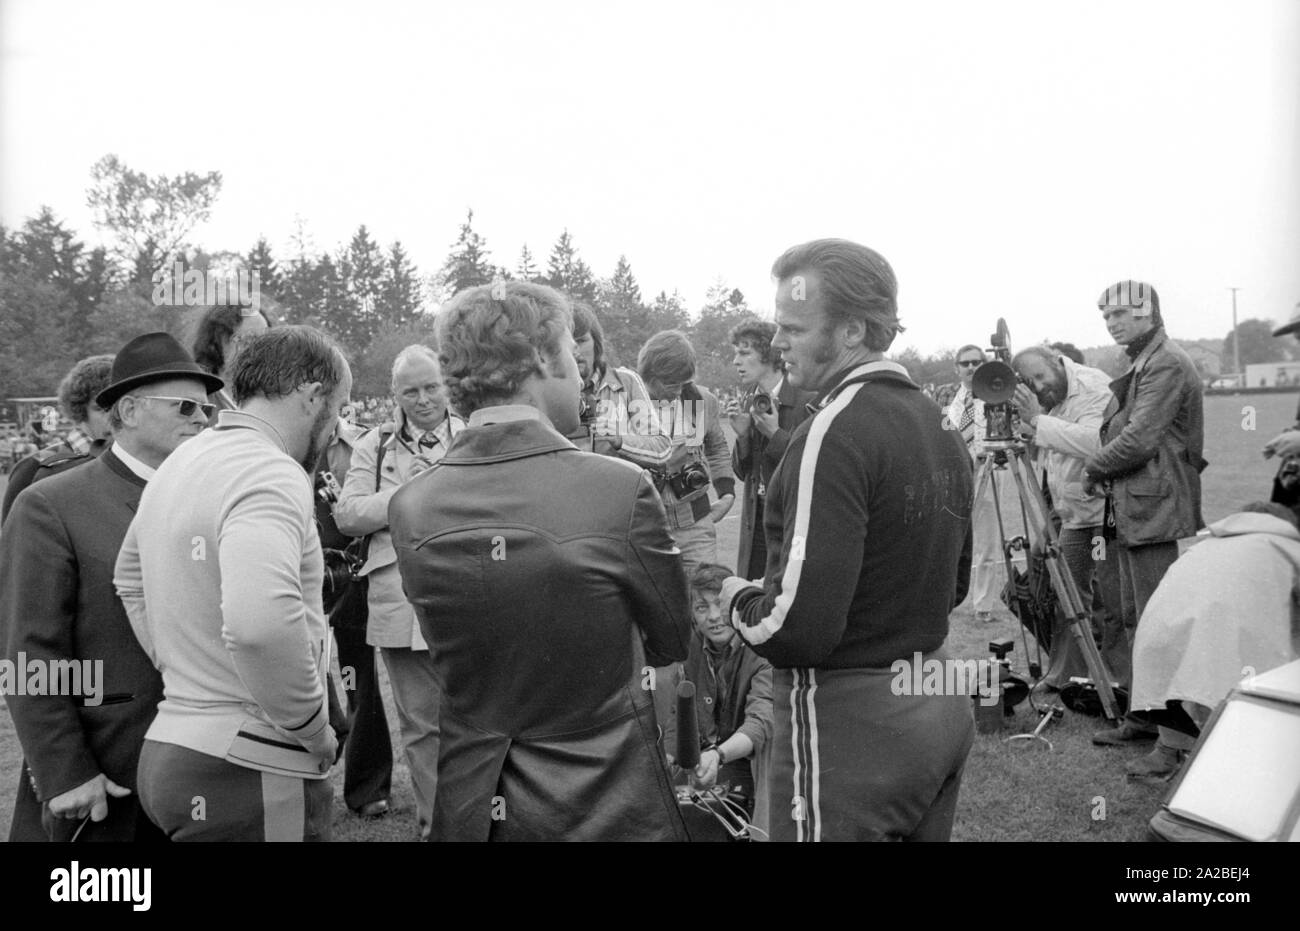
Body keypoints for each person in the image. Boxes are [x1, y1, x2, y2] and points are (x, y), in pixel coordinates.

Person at [388, 281, 691, 841]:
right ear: (543, 361)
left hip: (472, 796)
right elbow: (672, 638)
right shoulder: (618, 489)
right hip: (602, 795)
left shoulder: (411, 504)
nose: (581, 377)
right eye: (574, 361)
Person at [720, 239, 975, 842]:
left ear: (854, 329)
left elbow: (796, 630)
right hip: (936, 697)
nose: (777, 342)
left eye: (793, 327)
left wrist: (735, 596)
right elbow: (952, 584)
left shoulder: (829, 430)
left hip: (851, 722)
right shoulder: (940, 425)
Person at [115, 326, 351, 841]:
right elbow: (259, 626)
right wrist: (312, 727)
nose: (336, 426)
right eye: (338, 408)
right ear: (313, 395)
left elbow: (129, 580)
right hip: (249, 759)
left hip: (174, 742)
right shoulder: (269, 469)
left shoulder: (182, 461)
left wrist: (189, 665)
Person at [2, 332, 221, 841]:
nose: (202, 419)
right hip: (110, 775)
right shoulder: (51, 504)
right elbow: (28, 654)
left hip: (209, 764)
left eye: (207, 410)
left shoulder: (214, 495)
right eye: (185, 405)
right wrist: (66, 772)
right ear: (129, 410)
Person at [334, 344, 465, 840]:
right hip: (399, 602)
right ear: (395, 394)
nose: (424, 399)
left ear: (446, 385)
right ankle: (437, 829)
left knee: (477, 722)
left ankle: (484, 822)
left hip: (467, 598)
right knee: (422, 727)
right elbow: (348, 515)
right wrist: (412, 496)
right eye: (411, 391)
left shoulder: (473, 437)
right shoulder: (375, 445)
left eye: (432, 387)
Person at [1084, 280, 1206, 759]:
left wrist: (1095, 467)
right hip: (1132, 502)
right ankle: (1145, 716)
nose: (1112, 323)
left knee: (1158, 622)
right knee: (1135, 618)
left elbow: (1138, 440)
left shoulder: (1165, 362)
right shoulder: (1143, 359)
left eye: (1120, 314)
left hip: (1152, 505)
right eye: (1106, 316)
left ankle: (1175, 739)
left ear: (1149, 312)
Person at [1127, 502, 1300, 782]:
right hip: (1218, 640)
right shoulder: (1288, 549)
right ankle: (1232, 754)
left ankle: (1171, 749)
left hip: (1158, 640)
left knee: (1187, 670)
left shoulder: (1205, 545)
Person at [1010, 345, 1124, 688]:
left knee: (1115, 601)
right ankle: (1066, 675)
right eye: (1030, 382)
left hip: (1105, 516)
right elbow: (1051, 460)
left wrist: (1036, 420)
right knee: (1068, 595)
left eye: (1041, 376)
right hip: (1073, 514)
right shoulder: (1048, 399)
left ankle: (1117, 681)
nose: (1039, 386)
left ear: (1057, 361)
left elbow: (1095, 443)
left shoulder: (1092, 387)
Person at [315, 419, 394, 820]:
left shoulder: (362, 443)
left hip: (349, 576)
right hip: (290, 576)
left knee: (358, 679)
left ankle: (366, 786)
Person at [661, 563, 773, 836]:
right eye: (701, 608)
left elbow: (760, 723)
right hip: (703, 759)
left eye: (719, 605)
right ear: (692, 616)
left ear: (735, 606)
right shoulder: (688, 649)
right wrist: (666, 758)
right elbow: (678, 716)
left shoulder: (763, 649)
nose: (713, 617)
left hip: (746, 762)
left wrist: (718, 755)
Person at [637, 329, 736, 574]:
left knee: (706, 599)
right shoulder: (627, 407)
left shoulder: (701, 400)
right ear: (650, 376)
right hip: (648, 531)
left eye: (685, 383)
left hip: (697, 526)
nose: (679, 391)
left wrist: (726, 492)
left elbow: (717, 446)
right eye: (672, 384)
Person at [726, 319, 816, 581]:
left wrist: (774, 435)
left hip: (789, 526)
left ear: (768, 354)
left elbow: (813, 466)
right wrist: (743, 436)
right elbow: (744, 473)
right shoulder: (750, 399)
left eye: (744, 353)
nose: (735, 361)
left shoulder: (807, 399)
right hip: (755, 525)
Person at [946, 344, 1026, 621]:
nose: (970, 368)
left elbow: (1014, 433)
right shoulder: (949, 398)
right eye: (965, 363)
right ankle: (946, 598)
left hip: (988, 470)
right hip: (955, 475)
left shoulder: (996, 396)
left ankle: (982, 605)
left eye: (976, 362)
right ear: (956, 368)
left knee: (986, 543)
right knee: (950, 538)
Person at [1, 354, 114, 523]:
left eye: (120, 406)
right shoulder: (33, 468)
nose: (114, 416)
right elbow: (14, 541)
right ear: (80, 409)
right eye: (102, 409)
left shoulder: (138, 461)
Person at [570, 300, 671, 467]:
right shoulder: (549, 391)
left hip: (620, 489)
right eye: (569, 343)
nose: (576, 351)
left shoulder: (625, 382)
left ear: (597, 344)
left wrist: (620, 440)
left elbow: (662, 447)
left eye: (581, 340)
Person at [190, 302, 271, 419]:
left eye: (265, 342)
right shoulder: (198, 402)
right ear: (218, 341)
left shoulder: (273, 401)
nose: (259, 351)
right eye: (248, 340)